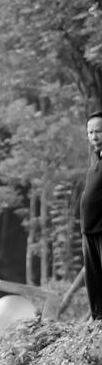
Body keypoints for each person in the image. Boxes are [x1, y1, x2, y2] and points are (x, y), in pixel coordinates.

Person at [83, 110, 102, 320]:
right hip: (89, 231)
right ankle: (98, 325)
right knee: (94, 282)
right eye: (90, 132)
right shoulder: (95, 159)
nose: (94, 137)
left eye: (98, 132)